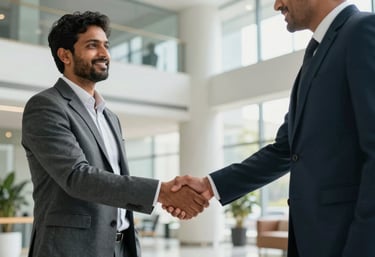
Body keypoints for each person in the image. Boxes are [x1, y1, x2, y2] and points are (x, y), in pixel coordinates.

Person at [167, 0, 375, 257]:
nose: (277, 5)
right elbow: (285, 149)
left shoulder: (363, 31)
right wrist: (210, 185)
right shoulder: (315, 55)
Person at [21, 11, 208, 257]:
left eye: (106, 46)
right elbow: (78, 177)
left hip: (122, 247)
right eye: (92, 45)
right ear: (65, 54)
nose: (104, 54)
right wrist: (162, 192)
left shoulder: (109, 117)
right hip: (70, 249)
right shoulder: (46, 106)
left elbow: (115, 180)